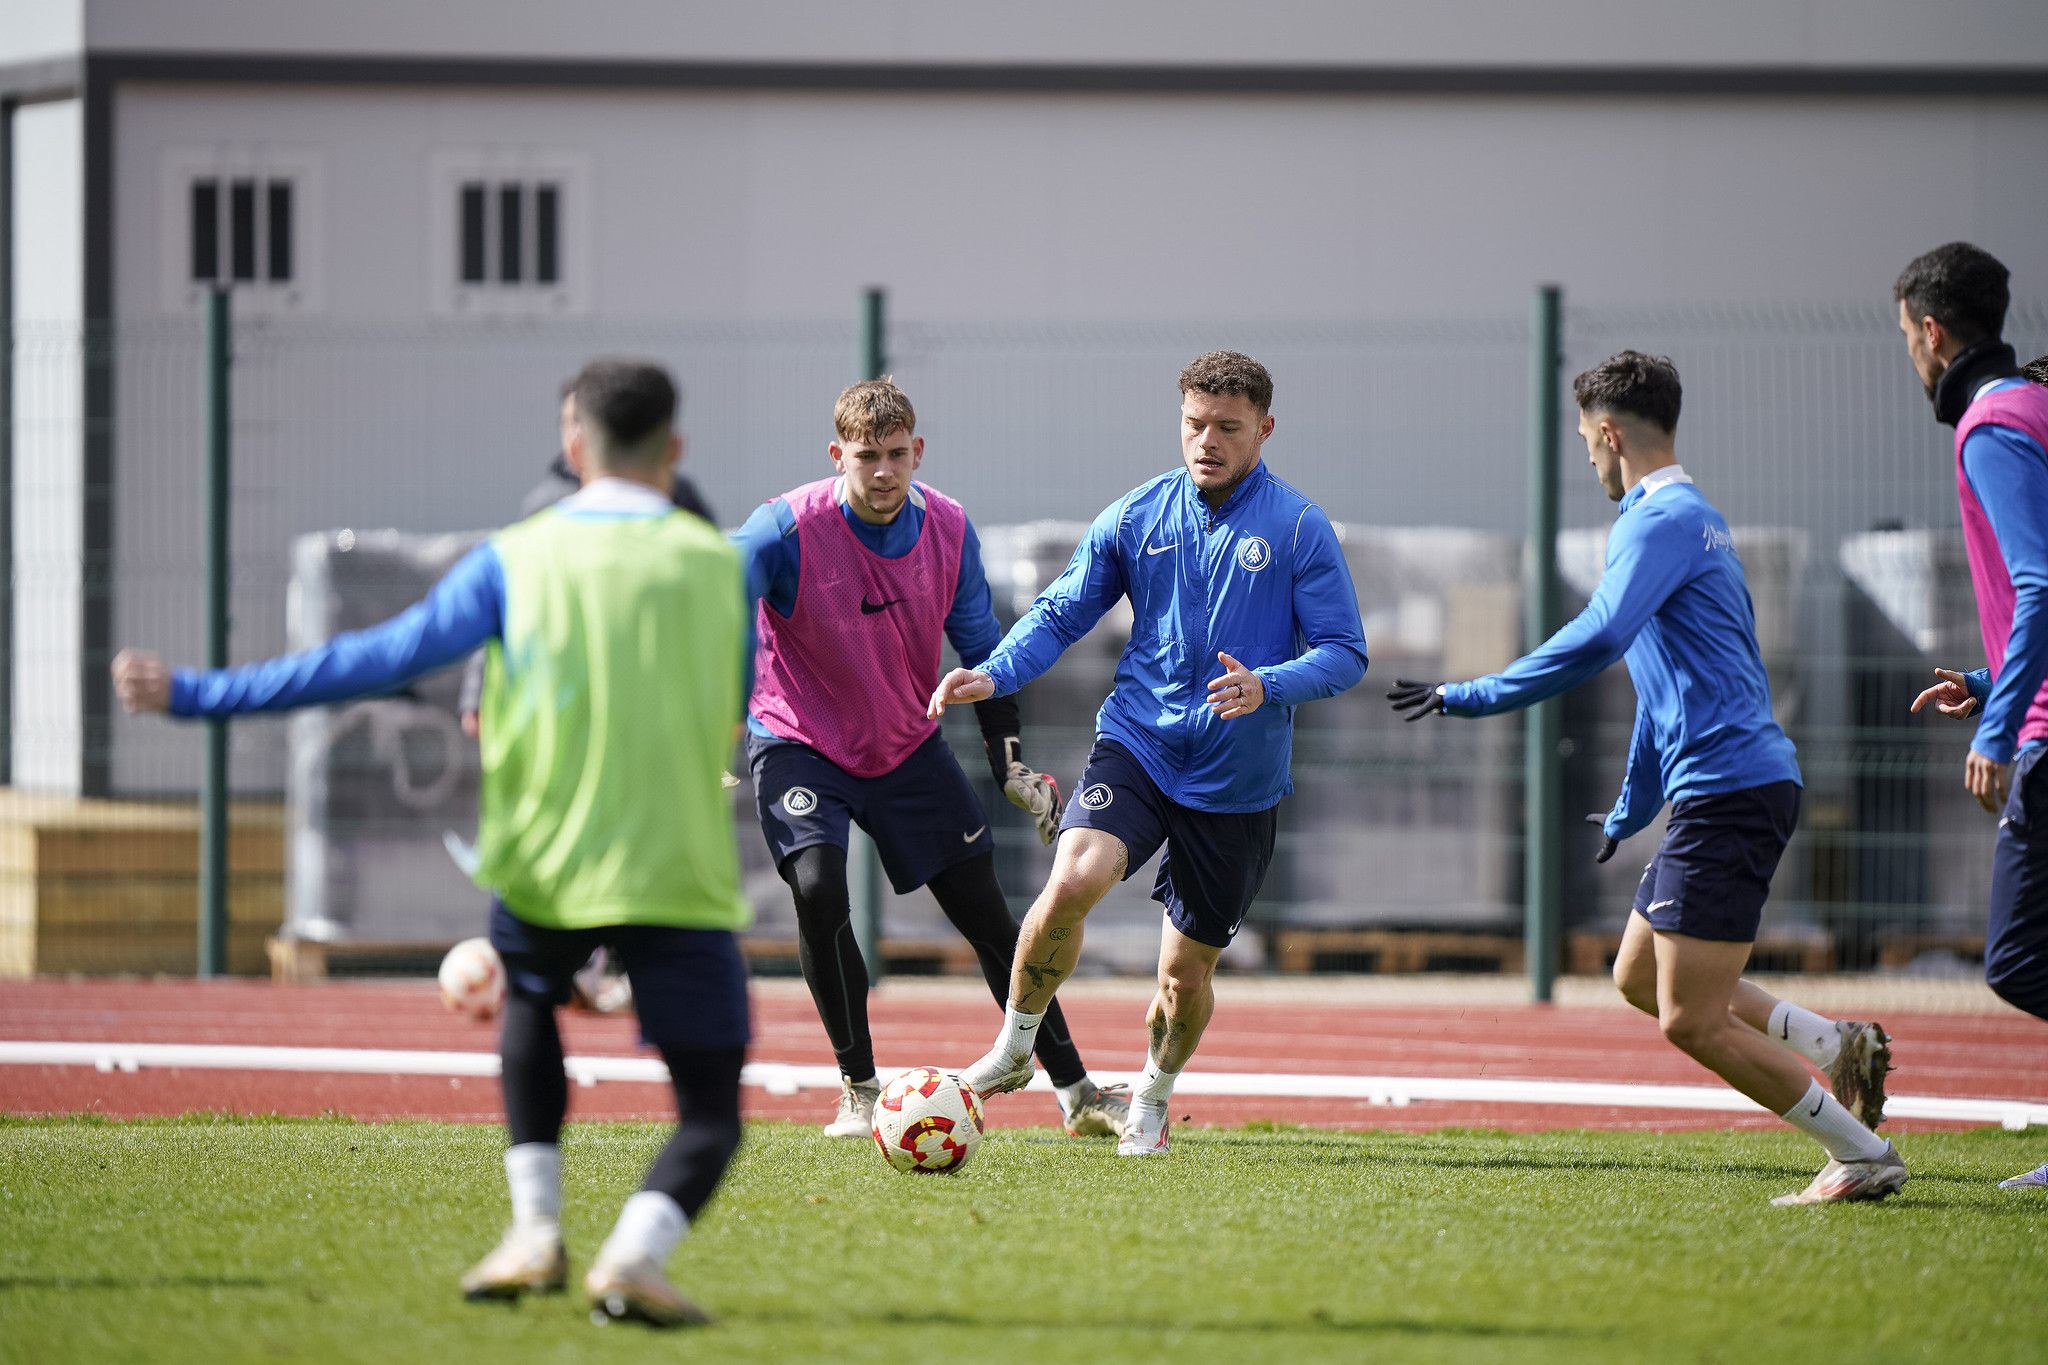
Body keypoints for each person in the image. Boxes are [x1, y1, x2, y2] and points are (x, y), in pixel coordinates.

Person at [111, 359, 748, 1325]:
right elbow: (733, 702)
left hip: (543, 861)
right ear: (676, 450)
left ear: (574, 446)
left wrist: (196, 693)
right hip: (675, 867)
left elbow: (371, 660)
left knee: (530, 994)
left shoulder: (518, 556)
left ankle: (535, 1232)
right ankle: (633, 1253)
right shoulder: (716, 564)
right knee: (709, 1111)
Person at [1387, 350, 1905, 1206]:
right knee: (1635, 974)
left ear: (1608, 432)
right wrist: (1632, 805)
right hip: (1730, 783)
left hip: (1731, 790)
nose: (1589, 458)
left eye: (1587, 442)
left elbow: (1596, 638)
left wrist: (1467, 694)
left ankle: (1859, 1152)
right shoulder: (1700, 518)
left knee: (1687, 1017)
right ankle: (1836, 1046)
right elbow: (1661, 682)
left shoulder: (1652, 522)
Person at [931, 351, 1369, 1157]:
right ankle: (1016, 1045)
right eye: (1194, 423)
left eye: (1228, 428)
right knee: (1071, 879)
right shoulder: (1136, 515)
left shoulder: (1300, 527)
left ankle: (1152, 1097)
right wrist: (993, 672)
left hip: (1237, 781)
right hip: (1138, 742)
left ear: (1264, 430)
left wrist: (1267, 685)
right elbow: (1061, 612)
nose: (1207, 440)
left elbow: (1346, 652)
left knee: (1181, 981)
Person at [737, 376, 1127, 1140]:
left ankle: (1078, 1093)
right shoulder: (780, 530)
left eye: (895, 454)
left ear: (917, 451)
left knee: (991, 920)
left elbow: (986, 651)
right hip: (800, 738)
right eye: (864, 457)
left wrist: (1007, 761)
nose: (882, 471)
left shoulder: (948, 527)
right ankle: (859, 1088)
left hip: (906, 742)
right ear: (836, 455)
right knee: (817, 890)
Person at [452, 383, 718, 1016]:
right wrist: (477, 691)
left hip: (646, 718)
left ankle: (620, 961)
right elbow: (497, 611)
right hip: (563, 719)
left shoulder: (677, 504)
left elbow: (714, 600)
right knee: (560, 838)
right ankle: (561, 963)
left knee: (640, 839)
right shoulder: (543, 508)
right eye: (573, 419)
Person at [1893, 240, 2048, 1191]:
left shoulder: (1991, 423)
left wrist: (2000, 729)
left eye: (1906, 335)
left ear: (1934, 331)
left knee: (2018, 959)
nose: (1910, 353)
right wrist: (1993, 685)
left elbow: (2039, 586)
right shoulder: (2034, 405)